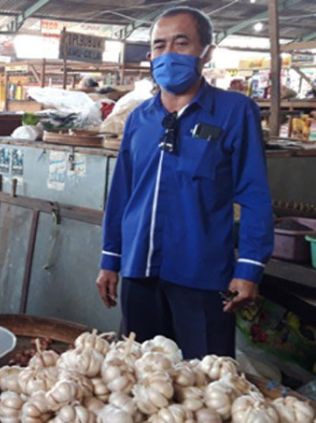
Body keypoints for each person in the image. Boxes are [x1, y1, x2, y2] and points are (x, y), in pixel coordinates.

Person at [96, 6, 273, 359]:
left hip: (202, 275)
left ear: (206, 53)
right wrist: (110, 258)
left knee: (204, 383)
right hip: (138, 271)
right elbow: (121, 194)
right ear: (150, 56)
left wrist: (250, 266)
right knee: (140, 378)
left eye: (181, 42)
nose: (168, 54)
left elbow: (254, 193)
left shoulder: (234, 111)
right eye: (159, 46)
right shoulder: (139, 119)